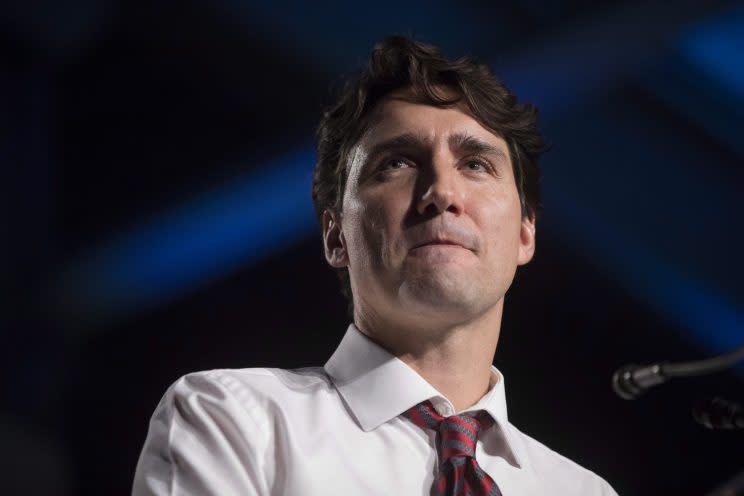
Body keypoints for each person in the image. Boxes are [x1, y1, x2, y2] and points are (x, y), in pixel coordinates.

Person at [132, 36, 619, 495]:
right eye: (398, 163)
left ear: (524, 232)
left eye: (476, 164)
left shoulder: (584, 491)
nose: (442, 194)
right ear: (335, 234)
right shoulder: (235, 420)